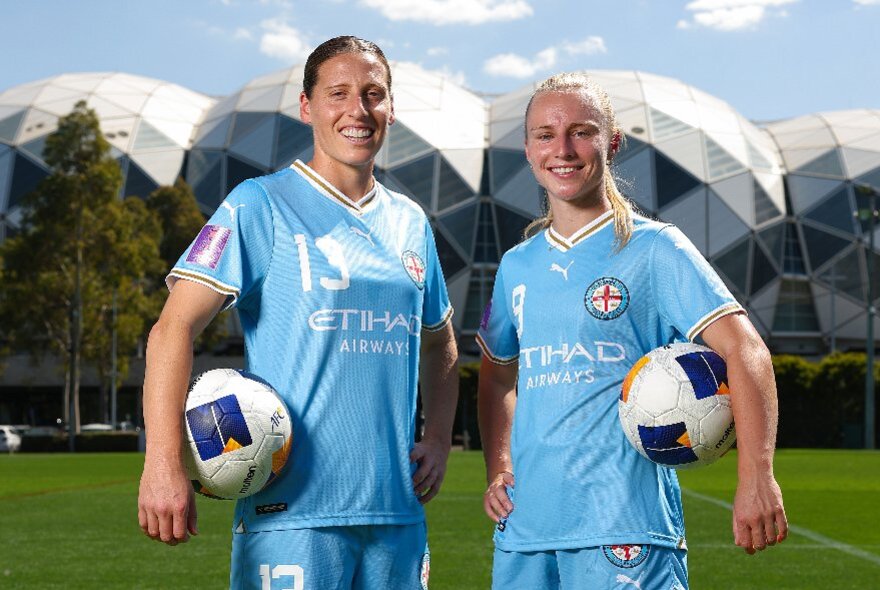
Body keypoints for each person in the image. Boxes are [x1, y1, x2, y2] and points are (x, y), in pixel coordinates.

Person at [137, 36, 459, 590]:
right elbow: (172, 329)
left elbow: (441, 342)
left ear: (389, 108)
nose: (357, 110)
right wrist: (163, 460)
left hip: (396, 517)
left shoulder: (410, 221)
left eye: (373, 94)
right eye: (338, 93)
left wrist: (437, 437)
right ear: (308, 107)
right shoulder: (259, 204)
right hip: (291, 519)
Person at [476, 72, 787, 589]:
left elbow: (746, 350)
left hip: (626, 528)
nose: (563, 149)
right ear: (529, 149)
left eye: (582, 131)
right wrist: (499, 466)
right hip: (525, 530)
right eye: (546, 135)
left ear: (611, 142)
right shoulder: (516, 265)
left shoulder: (657, 249)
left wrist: (757, 474)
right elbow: (495, 373)